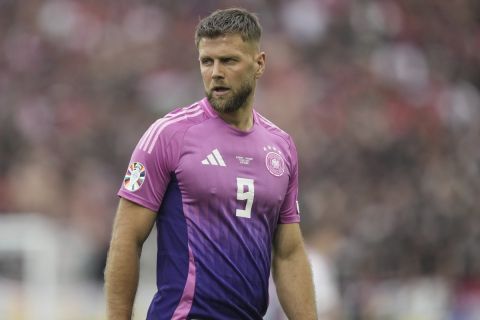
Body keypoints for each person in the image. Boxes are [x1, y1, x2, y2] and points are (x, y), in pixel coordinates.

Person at [105, 8, 317, 320]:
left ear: (259, 64)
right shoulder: (169, 134)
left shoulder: (281, 146)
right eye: (207, 61)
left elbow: (288, 253)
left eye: (228, 60)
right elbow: (127, 237)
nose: (215, 72)